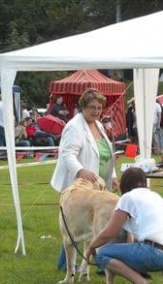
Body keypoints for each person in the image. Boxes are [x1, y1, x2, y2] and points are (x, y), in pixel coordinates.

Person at [87, 167, 163, 284]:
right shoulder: (155, 196)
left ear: (125, 183)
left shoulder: (128, 197)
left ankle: (140, 283)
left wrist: (92, 246)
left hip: (156, 255)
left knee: (102, 254)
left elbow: (109, 233)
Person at [51, 88, 119, 270]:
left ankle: (97, 263)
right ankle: (67, 265)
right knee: (74, 226)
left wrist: (112, 176)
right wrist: (81, 170)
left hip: (98, 185)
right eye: (92, 107)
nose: (96, 111)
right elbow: (68, 155)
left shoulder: (99, 125)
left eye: (99, 107)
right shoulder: (74, 126)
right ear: (83, 107)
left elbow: (106, 156)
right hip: (78, 186)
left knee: (94, 226)